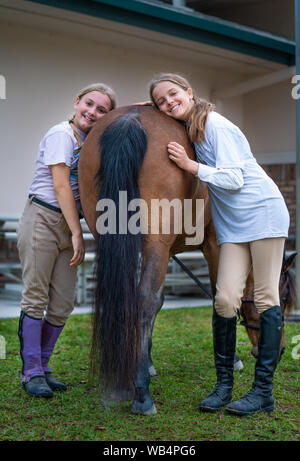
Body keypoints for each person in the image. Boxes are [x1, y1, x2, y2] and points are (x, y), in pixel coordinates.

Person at [148, 73, 290, 416]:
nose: (168, 103)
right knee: (225, 298)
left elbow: (235, 178)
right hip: (232, 225)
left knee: (266, 297)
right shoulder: (192, 127)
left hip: (262, 213)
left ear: (189, 91)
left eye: (173, 94)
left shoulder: (215, 125)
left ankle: (262, 392)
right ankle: (223, 386)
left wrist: (189, 166)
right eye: (160, 102)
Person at [17, 83, 116, 398]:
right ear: (77, 102)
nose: (93, 113)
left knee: (62, 303)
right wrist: (78, 233)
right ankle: (30, 371)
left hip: (68, 224)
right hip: (44, 218)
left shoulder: (90, 141)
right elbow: (61, 186)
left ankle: (44, 366)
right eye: (89, 104)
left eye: (102, 110)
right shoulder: (62, 134)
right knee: (36, 296)